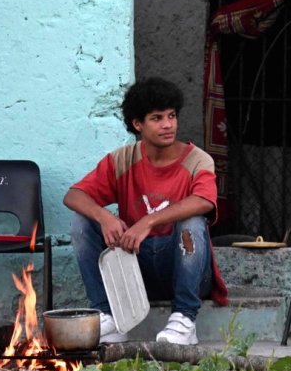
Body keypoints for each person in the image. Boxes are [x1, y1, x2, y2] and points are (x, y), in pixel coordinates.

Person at [64, 77, 228, 346]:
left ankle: (185, 319)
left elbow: (204, 201)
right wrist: (104, 216)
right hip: (134, 268)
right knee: (82, 221)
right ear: (137, 124)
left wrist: (148, 222)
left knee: (193, 221)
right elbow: (73, 195)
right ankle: (111, 316)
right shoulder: (122, 159)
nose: (168, 125)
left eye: (172, 116)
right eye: (157, 118)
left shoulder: (198, 159)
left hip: (185, 270)